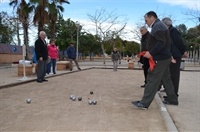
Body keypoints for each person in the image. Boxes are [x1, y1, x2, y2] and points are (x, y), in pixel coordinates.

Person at [132, 11, 178, 110]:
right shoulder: (159, 25)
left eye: (146, 19)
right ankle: (172, 99)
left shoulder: (157, 26)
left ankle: (144, 103)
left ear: (152, 17)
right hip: (164, 57)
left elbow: (162, 42)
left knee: (152, 78)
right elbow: (165, 42)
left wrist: (151, 52)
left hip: (160, 58)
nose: (145, 22)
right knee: (166, 79)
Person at [162, 17, 186, 97]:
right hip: (171, 55)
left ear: (166, 24)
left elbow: (179, 42)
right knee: (170, 75)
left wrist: (183, 52)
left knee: (174, 75)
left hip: (175, 55)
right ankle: (171, 93)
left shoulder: (173, 31)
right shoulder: (169, 31)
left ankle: (174, 94)